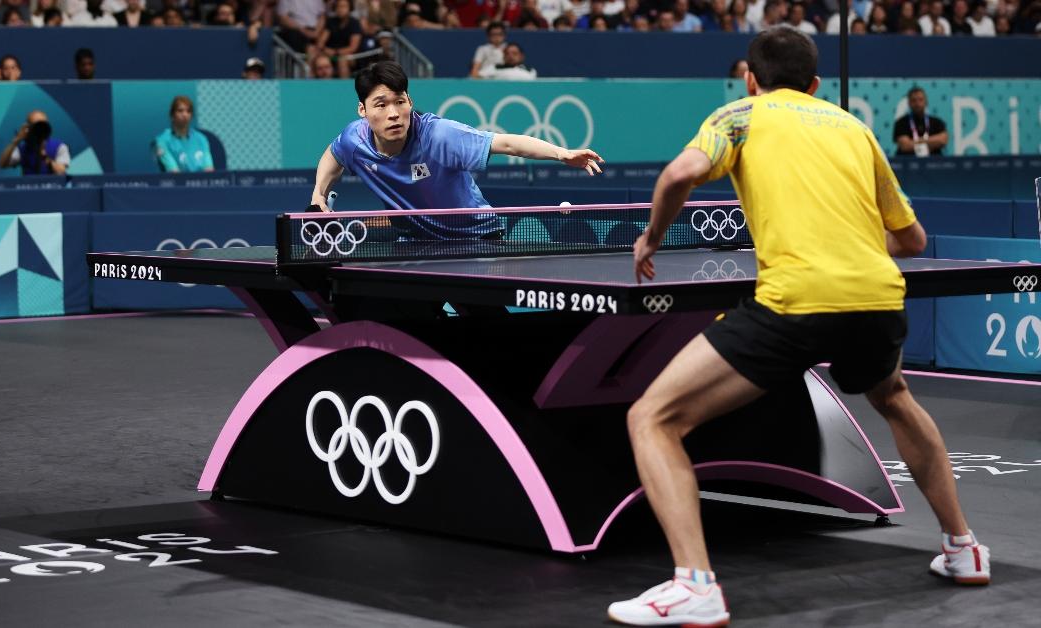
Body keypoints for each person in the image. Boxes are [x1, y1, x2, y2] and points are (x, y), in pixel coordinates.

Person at [609, 27, 988, 627]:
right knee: (893, 396)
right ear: (814, 84)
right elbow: (911, 240)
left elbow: (677, 176)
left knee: (651, 418)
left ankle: (695, 585)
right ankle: (963, 548)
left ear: (751, 79)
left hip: (797, 302)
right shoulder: (854, 127)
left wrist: (649, 239)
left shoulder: (740, 116)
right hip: (878, 300)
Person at [310, 61, 603, 240]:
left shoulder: (439, 136)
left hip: (475, 237)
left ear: (410, 101)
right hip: (414, 241)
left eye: (400, 101)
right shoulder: (354, 140)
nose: (394, 113)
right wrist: (318, 195)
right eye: (381, 104)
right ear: (363, 110)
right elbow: (332, 157)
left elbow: (507, 143)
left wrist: (562, 153)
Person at [0, 110, 71, 175]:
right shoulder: (23, 148)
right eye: (36, 125)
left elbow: (61, 172)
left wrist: (44, 155)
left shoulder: (59, 146)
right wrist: (16, 141)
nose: (40, 128)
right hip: (28, 188)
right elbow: (2, 164)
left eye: (43, 124)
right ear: (29, 127)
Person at [153, 96, 215, 172]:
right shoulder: (162, 141)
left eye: (188, 111)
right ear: (172, 115)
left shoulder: (201, 138)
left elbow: (209, 169)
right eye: (180, 111)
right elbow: (173, 172)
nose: (185, 115)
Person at [894, 86, 948, 156]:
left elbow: (943, 140)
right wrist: (932, 142)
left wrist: (917, 141)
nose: (917, 104)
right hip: (908, 163)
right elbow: (905, 146)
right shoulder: (901, 123)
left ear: (926, 102)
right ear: (909, 103)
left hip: (934, 163)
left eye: (920, 100)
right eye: (914, 100)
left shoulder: (937, 122)